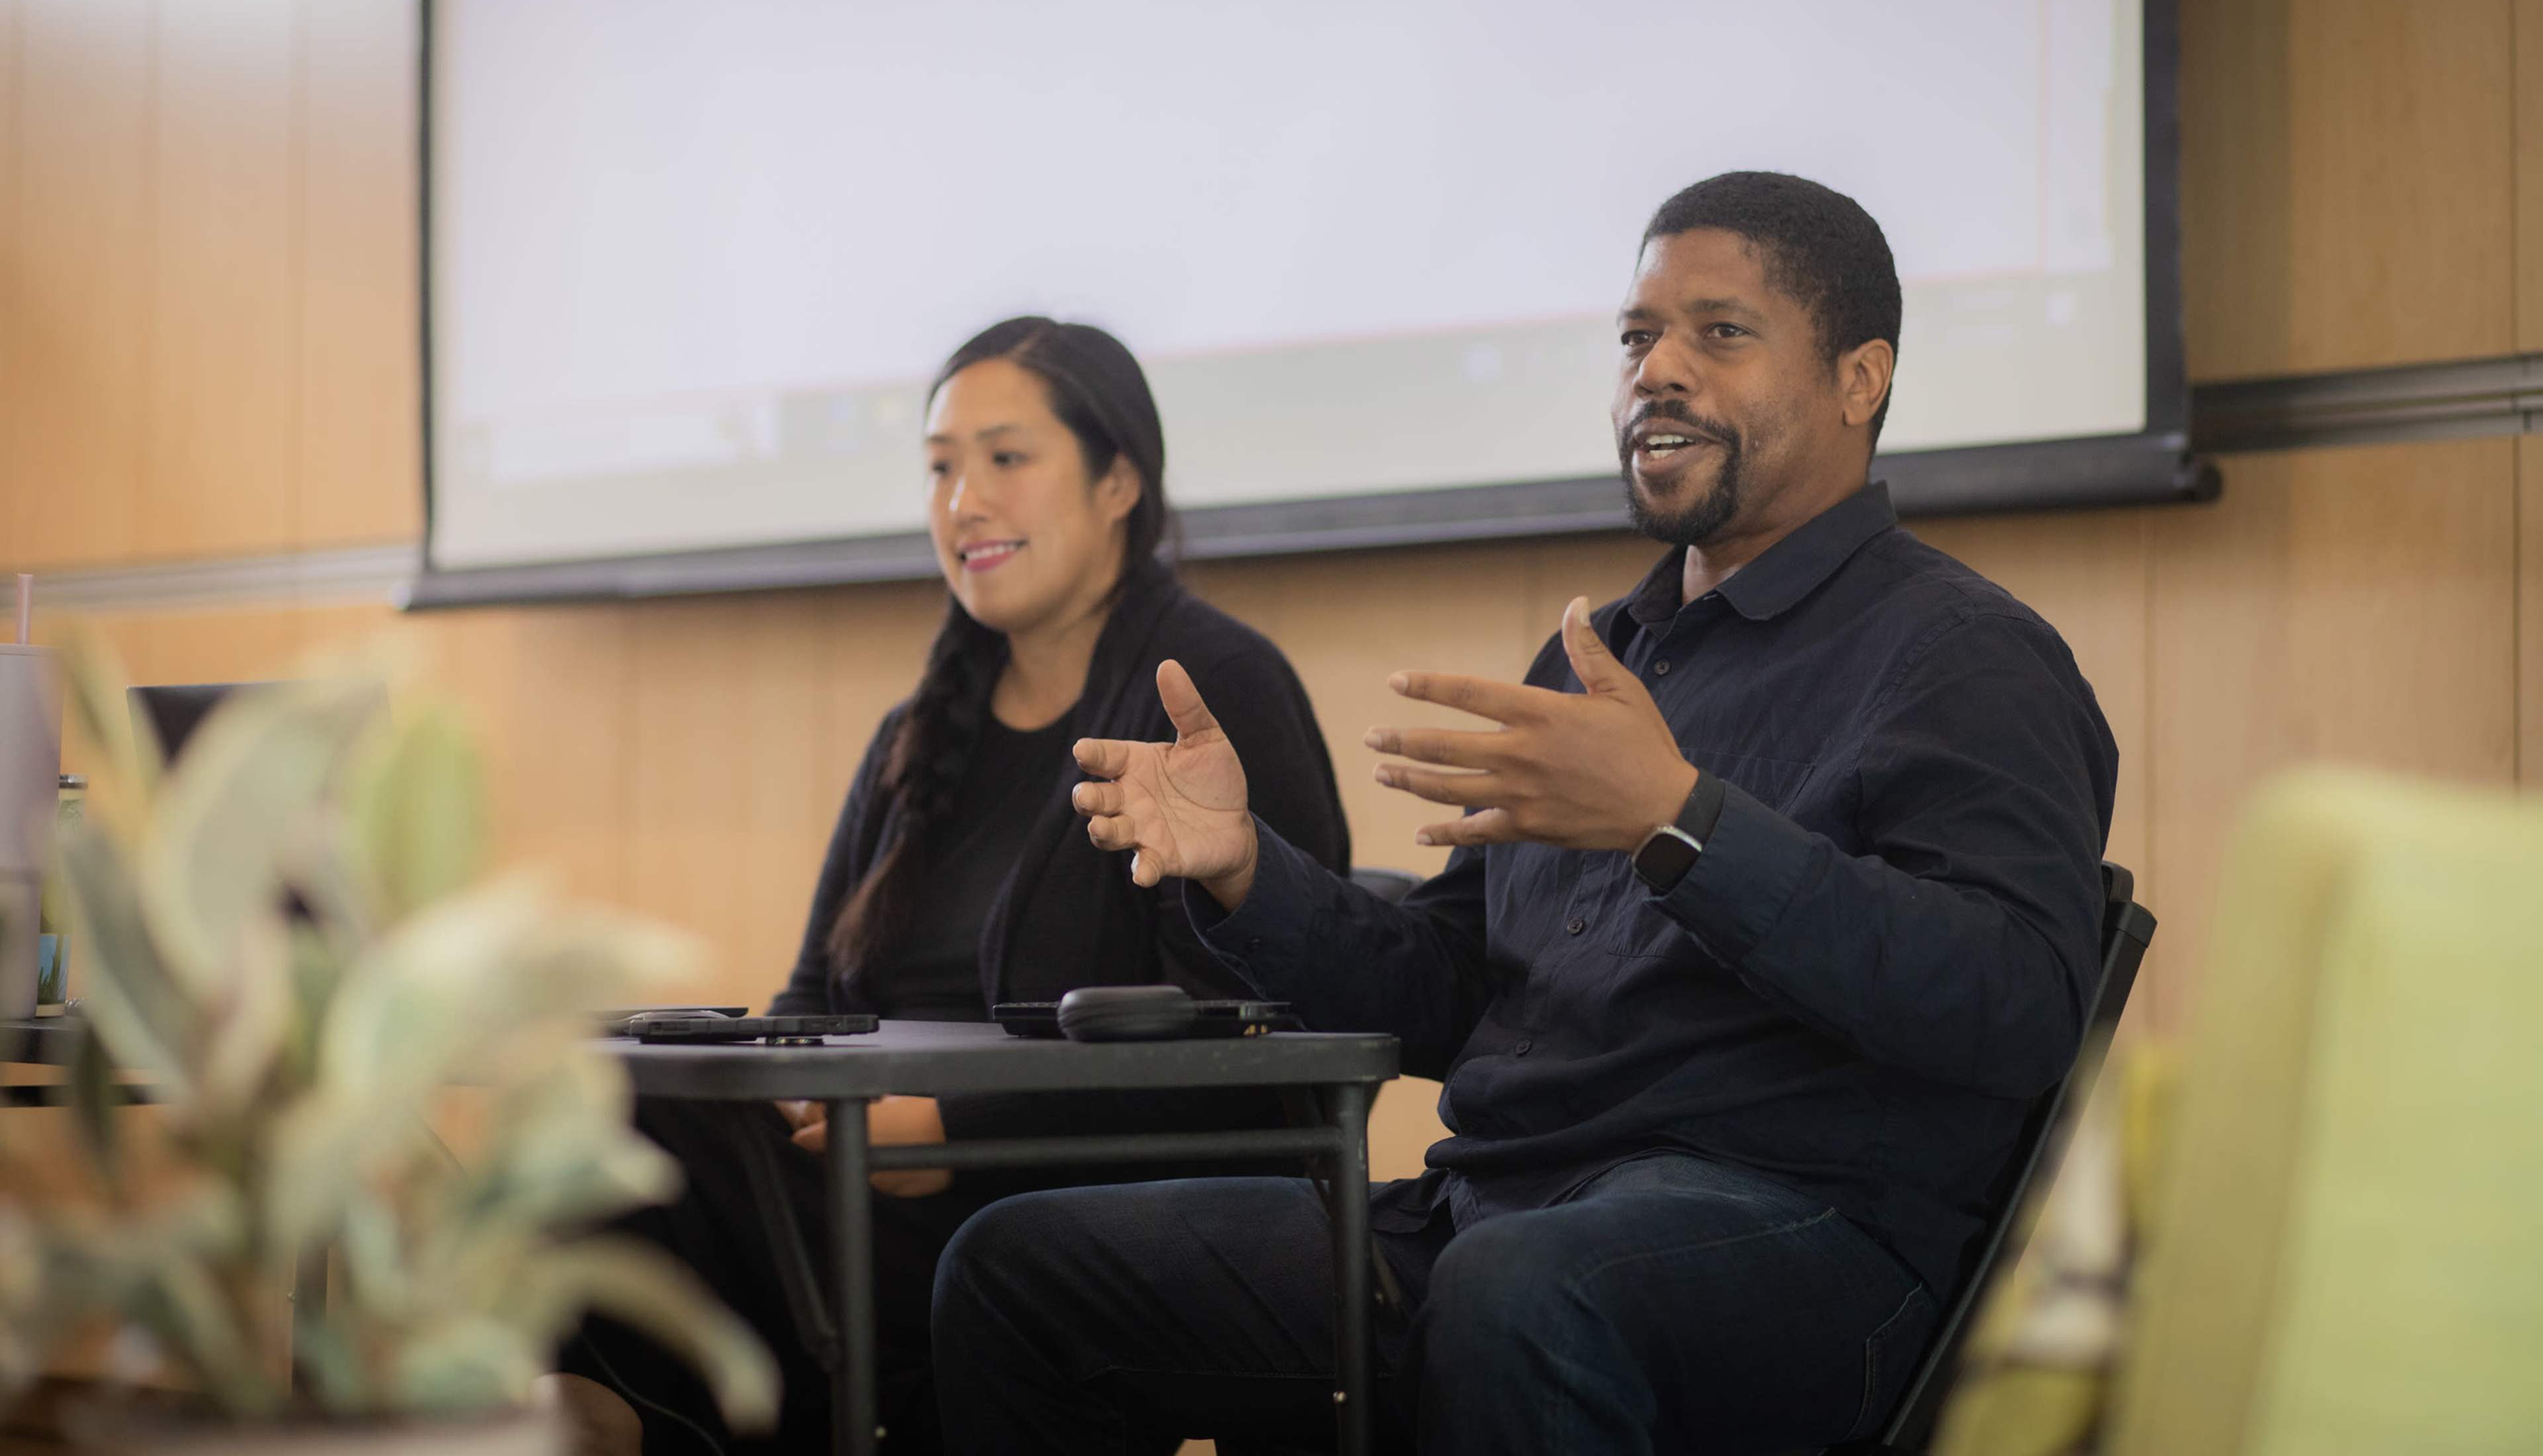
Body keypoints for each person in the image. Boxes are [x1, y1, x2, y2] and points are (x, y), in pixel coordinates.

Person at [928, 173, 2120, 1455]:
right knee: (1018, 1268)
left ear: (1859, 377)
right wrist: (1241, 869)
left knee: (1522, 1296)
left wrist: (1681, 826)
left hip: (1808, 1237)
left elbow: (2015, 1005)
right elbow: (1453, 990)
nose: (1656, 369)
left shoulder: (1967, 655)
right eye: (1635, 337)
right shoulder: (1597, 656)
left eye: (1719, 332)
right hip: (1498, 1213)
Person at [561, 317, 1351, 1454]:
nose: (963, 501)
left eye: (1006, 459)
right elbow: (804, 1001)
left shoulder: (1214, 689)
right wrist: (789, 1103)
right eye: (940, 468)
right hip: (861, 1180)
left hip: (1049, 1207)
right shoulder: (914, 735)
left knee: (646, 1199)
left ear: (1120, 478)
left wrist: (943, 1123)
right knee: (621, 1115)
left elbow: (1255, 1056)